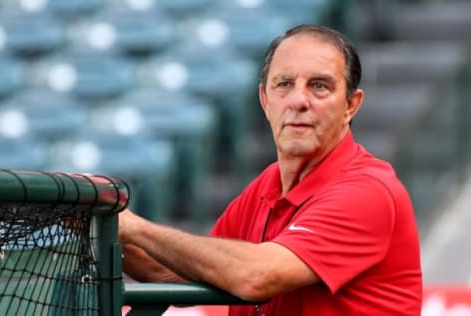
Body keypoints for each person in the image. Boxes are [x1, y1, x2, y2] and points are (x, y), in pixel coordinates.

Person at [118, 24, 423, 315]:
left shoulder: (368, 190)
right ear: (265, 100)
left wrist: (135, 228)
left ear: (350, 106)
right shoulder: (268, 183)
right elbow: (183, 273)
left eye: (319, 86)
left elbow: (256, 276)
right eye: (284, 84)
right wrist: (106, 230)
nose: (298, 100)